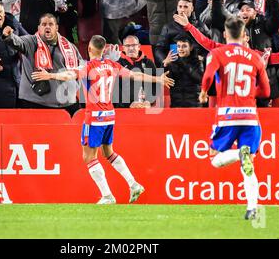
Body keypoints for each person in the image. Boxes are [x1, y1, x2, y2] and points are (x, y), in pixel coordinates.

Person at [32, 34, 174, 204]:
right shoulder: (112, 65)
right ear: (104, 49)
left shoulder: (88, 67)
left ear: (90, 49)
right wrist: (158, 78)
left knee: (89, 157)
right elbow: (136, 75)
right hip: (109, 116)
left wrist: (51, 76)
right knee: (109, 153)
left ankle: (107, 196)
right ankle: (133, 184)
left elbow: (69, 75)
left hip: (94, 118)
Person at [175, 14, 270, 220]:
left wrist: (203, 90)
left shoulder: (218, 53)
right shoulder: (255, 57)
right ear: (244, 34)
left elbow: (208, 74)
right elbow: (266, 91)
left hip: (228, 115)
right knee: (250, 164)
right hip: (250, 117)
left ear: (225, 33)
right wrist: (248, 95)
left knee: (215, 159)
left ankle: (238, 154)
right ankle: (252, 208)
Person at [2, 13, 83, 116]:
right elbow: (18, 42)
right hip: (36, 102)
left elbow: (81, 67)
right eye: (44, 24)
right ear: (39, 28)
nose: (47, 26)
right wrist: (9, 36)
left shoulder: (69, 47)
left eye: (51, 24)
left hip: (66, 103)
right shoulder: (30, 42)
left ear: (56, 27)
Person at [114, 35, 157, 108]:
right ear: (123, 48)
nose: (131, 48)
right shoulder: (117, 64)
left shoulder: (148, 63)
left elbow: (155, 85)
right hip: (124, 109)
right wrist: (128, 105)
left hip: (144, 107)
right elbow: (114, 88)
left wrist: (149, 101)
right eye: (127, 46)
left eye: (134, 45)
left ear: (139, 46)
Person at [162, 36, 203, 107]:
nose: (180, 49)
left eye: (184, 46)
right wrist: (165, 65)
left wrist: (182, 63)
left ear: (191, 48)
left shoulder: (198, 61)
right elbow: (169, 81)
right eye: (178, 46)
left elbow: (199, 79)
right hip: (176, 105)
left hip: (194, 105)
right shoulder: (172, 62)